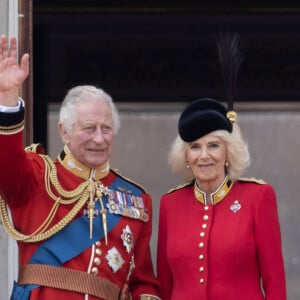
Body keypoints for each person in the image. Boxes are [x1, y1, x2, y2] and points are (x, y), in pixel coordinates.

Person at [0, 34, 161, 300]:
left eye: (106, 129)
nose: (99, 138)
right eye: (88, 129)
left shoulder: (136, 200)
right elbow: (5, 162)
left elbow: (142, 282)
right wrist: (7, 102)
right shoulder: (37, 177)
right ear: (64, 132)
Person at [157, 97, 287, 300]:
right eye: (195, 147)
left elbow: (275, 285)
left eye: (213, 146)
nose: (204, 156)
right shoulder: (170, 203)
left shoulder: (258, 197)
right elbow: (165, 285)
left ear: (228, 151)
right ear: (186, 156)